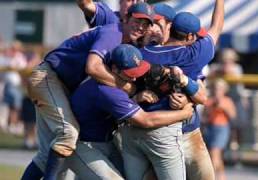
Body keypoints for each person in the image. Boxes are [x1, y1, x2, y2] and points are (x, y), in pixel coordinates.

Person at [78, 1, 225, 179]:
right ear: (189, 37)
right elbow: (216, 27)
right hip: (163, 132)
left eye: (153, 23)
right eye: (149, 23)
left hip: (137, 132)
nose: (151, 28)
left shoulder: (139, 52)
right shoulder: (194, 54)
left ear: (170, 27)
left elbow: (201, 95)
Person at [22, 3, 154, 180]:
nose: (141, 27)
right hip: (48, 78)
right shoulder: (114, 32)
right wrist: (126, 87)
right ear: (126, 18)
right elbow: (92, 67)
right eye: (137, 21)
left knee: (48, 154)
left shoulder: (126, 40)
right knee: (68, 134)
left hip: (61, 84)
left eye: (146, 24)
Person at [64, 44, 194, 180]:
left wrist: (135, 99)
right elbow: (146, 120)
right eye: (130, 74)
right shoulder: (107, 91)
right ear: (114, 69)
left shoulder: (108, 78)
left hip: (105, 141)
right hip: (82, 145)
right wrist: (184, 114)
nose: (134, 78)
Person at [204, 79, 236, 180]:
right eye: (216, 88)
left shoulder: (227, 101)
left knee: (215, 153)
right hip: (210, 128)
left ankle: (211, 177)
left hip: (221, 128)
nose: (217, 91)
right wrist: (211, 107)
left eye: (220, 89)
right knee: (216, 156)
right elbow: (204, 117)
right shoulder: (209, 101)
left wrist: (223, 107)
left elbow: (233, 116)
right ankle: (222, 177)